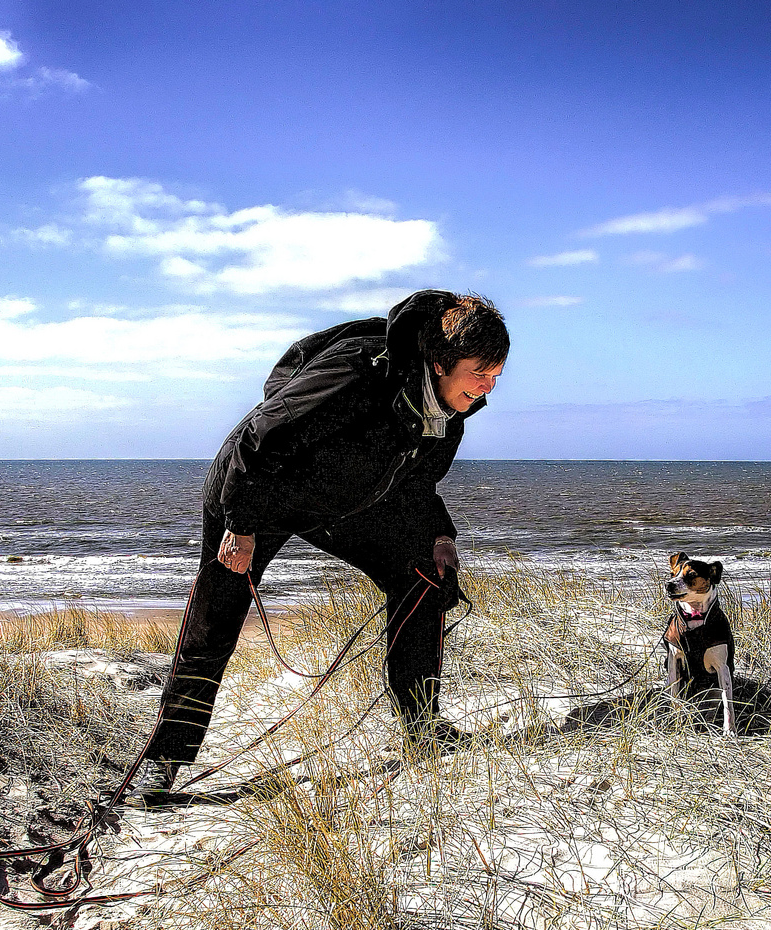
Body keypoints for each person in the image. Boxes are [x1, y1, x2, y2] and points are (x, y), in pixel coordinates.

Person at [132, 290, 508, 802]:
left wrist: (440, 537)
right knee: (218, 615)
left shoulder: (454, 406)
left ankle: (423, 728)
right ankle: (164, 759)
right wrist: (241, 526)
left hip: (338, 501)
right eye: (479, 373)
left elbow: (419, 484)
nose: (487, 388)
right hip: (257, 489)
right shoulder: (357, 375)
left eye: (496, 376)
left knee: (425, 578)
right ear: (440, 362)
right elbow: (259, 439)